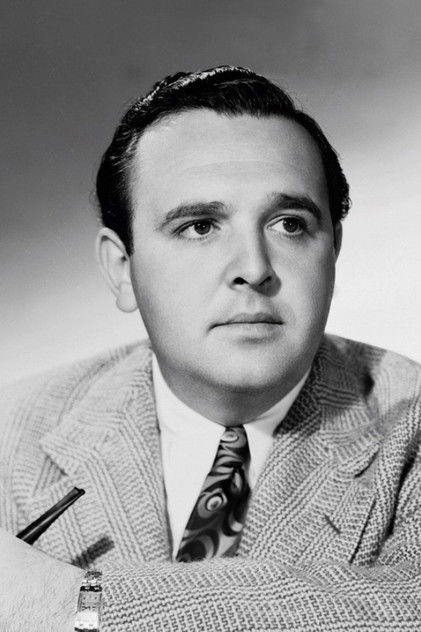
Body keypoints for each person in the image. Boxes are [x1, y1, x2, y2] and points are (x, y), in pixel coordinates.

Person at [1, 65, 420, 631]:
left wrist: (78, 605)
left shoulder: (410, 423)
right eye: (200, 226)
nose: (254, 268)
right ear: (122, 270)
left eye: (289, 224)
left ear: (333, 251)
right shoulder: (12, 433)